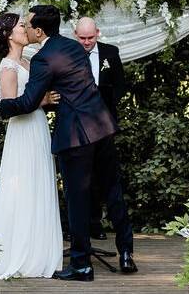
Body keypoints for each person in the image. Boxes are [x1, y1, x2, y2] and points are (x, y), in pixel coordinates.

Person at [0, 5, 136, 282]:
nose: (25, 28)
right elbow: (76, 89)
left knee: (77, 200)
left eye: (28, 25)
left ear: (39, 31)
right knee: (113, 191)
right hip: (102, 127)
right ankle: (125, 252)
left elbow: (26, 103)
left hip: (76, 136)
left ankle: (81, 265)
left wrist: (2, 105)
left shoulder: (42, 59)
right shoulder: (74, 48)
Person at [0, 13, 63, 279]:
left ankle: (40, 249)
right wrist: (42, 101)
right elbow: (11, 106)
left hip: (37, 128)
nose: (27, 29)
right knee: (23, 186)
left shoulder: (29, 61)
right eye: (21, 26)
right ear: (9, 35)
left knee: (39, 183)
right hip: (23, 132)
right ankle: (21, 251)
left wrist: (45, 101)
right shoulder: (8, 67)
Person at [74, 17, 126, 240]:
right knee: (82, 177)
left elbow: (121, 84)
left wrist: (105, 108)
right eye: (82, 38)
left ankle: (98, 223)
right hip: (77, 125)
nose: (87, 42)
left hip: (103, 124)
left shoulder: (110, 53)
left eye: (91, 37)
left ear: (98, 32)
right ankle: (85, 225)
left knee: (103, 175)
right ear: (75, 35)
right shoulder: (69, 54)